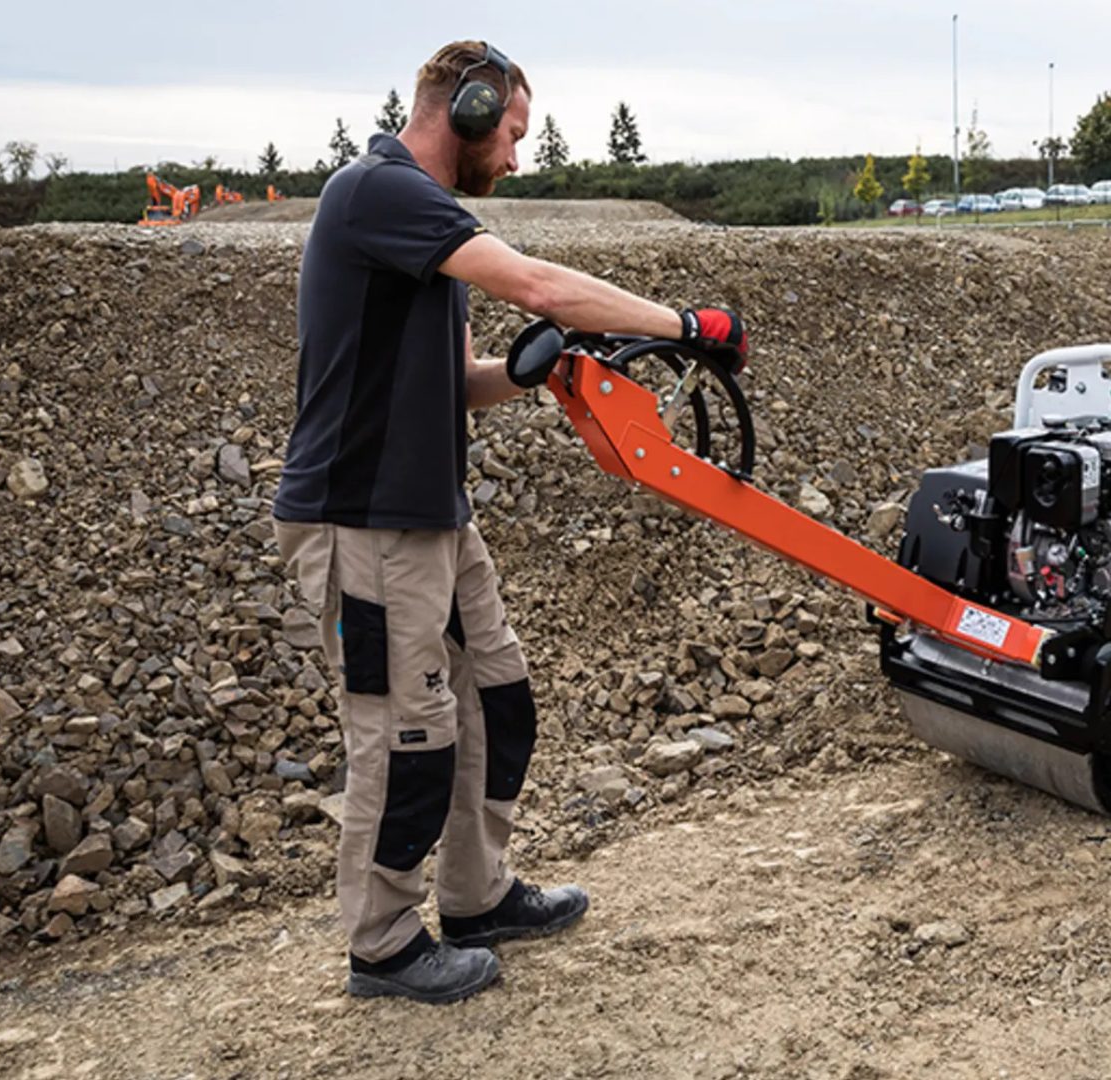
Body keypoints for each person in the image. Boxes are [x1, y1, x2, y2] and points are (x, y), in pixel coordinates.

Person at [271, 40, 748, 1004]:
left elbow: (456, 382)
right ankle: (382, 944)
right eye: (515, 134)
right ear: (473, 107)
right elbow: (534, 282)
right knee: (405, 736)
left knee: (496, 698)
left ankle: (477, 894)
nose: (518, 158)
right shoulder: (376, 191)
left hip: (431, 514)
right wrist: (686, 327)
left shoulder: (427, 228)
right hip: (362, 522)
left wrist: (524, 371)